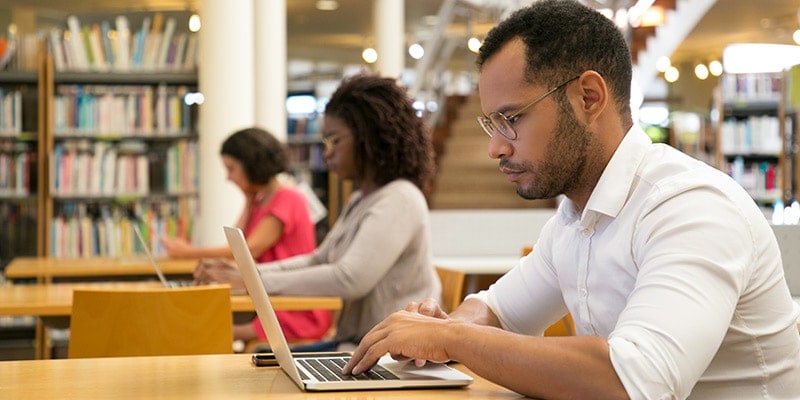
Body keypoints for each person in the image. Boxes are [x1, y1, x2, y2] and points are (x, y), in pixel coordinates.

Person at [342, 1, 800, 399]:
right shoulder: (574, 218)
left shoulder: (691, 206)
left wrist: (453, 338)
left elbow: (633, 383)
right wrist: (439, 331)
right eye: (491, 124)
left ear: (589, 97)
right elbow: (497, 312)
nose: (495, 148)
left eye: (512, 118)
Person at [193, 74, 441, 351]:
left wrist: (250, 279)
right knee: (260, 359)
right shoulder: (362, 199)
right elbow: (318, 259)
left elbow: (349, 278)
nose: (327, 154)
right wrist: (247, 271)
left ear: (369, 138)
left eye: (335, 141)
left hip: (386, 353)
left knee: (259, 361)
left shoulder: (400, 198)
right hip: (357, 344)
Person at [161, 127, 331, 344]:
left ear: (251, 166)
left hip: (295, 309)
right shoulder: (260, 201)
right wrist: (249, 201)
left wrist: (187, 253)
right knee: (206, 325)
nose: (228, 178)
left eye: (231, 169)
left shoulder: (288, 198)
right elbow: (236, 241)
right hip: (273, 300)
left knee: (207, 329)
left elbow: (248, 249)